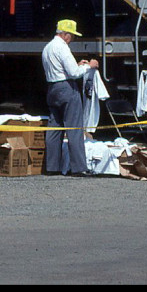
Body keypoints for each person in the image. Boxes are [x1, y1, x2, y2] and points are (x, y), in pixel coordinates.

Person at [42, 19, 99, 176]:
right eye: (72, 36)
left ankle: (52, 167)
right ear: (65, 34)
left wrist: (78, 64)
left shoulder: (47, 48)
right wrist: (89, 66)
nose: (73, 39)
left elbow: (62, 69)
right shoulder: (63, 48)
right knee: (74, 128)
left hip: (52, 89)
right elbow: (74, 73)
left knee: (54, 128)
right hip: (67, 89)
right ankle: (79, 168)